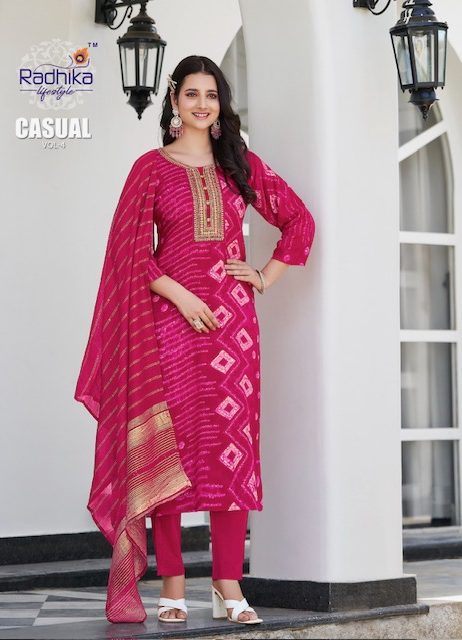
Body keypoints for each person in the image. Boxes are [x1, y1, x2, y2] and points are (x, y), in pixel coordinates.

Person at [75, 54, 315, 626]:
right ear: (174, 101)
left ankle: (228, 582)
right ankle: (174, 581)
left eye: (211, 95)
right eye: (192, 94)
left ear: (221, 104)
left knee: (233, 451)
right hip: (170, 327)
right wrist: (179, 295)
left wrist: (263, 276)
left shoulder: (240, 165)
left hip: (233, 329)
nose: (202, 105)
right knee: (170, 451)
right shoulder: (151, 169)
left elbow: (299, 220)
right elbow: (129, 255)